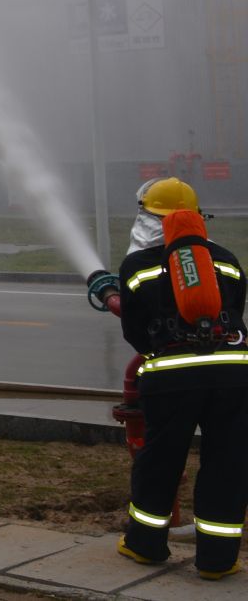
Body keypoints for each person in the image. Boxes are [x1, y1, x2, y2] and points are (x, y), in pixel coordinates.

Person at [115, 203, 248, 579]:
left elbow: (135, 332)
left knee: (160, 461)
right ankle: (218, 561)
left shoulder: (137, 265)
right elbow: (236, 309)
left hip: (171, 380)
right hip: (234, 376)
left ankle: (144, 546)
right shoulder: (225, 258)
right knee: (228, 463)